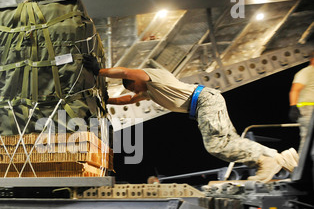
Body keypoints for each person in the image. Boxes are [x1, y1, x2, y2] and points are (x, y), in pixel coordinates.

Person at [83, 54, 299, 183]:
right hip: (207, 102)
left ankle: (267, 160)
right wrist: (106, 101)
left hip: (205, 101)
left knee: (216, 144)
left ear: (135, 82)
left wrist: (99, 71)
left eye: (135, 86)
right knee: (228, 142)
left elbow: (125, 72)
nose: (137, 90)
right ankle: (279, 157)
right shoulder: (148, 91)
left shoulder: (151, 77)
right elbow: (128, 100)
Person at [288, 51, 314, 152]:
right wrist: (293, 106)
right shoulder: (306, 72)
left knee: (308, 140)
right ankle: (303, 165)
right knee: (308, 139)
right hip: (307, 109)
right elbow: (295, 89)